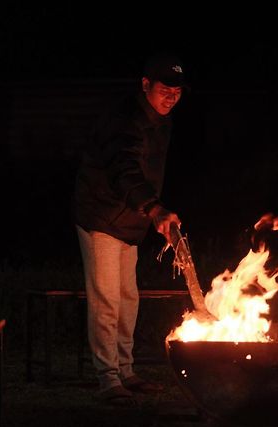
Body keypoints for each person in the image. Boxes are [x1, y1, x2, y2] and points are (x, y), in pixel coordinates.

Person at [72, 52, 186, 406]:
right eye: (164, 89)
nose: (171, 96)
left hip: (131, 220)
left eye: (177, 91)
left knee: (128, 298)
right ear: (145, 85)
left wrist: (151, 214)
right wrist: (154, 209)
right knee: (106, 299)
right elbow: (125, 169)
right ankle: (108, 378)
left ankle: (126, 369)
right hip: (102, 217)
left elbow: (147, 172)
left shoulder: (161, 121)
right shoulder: (124, 120)